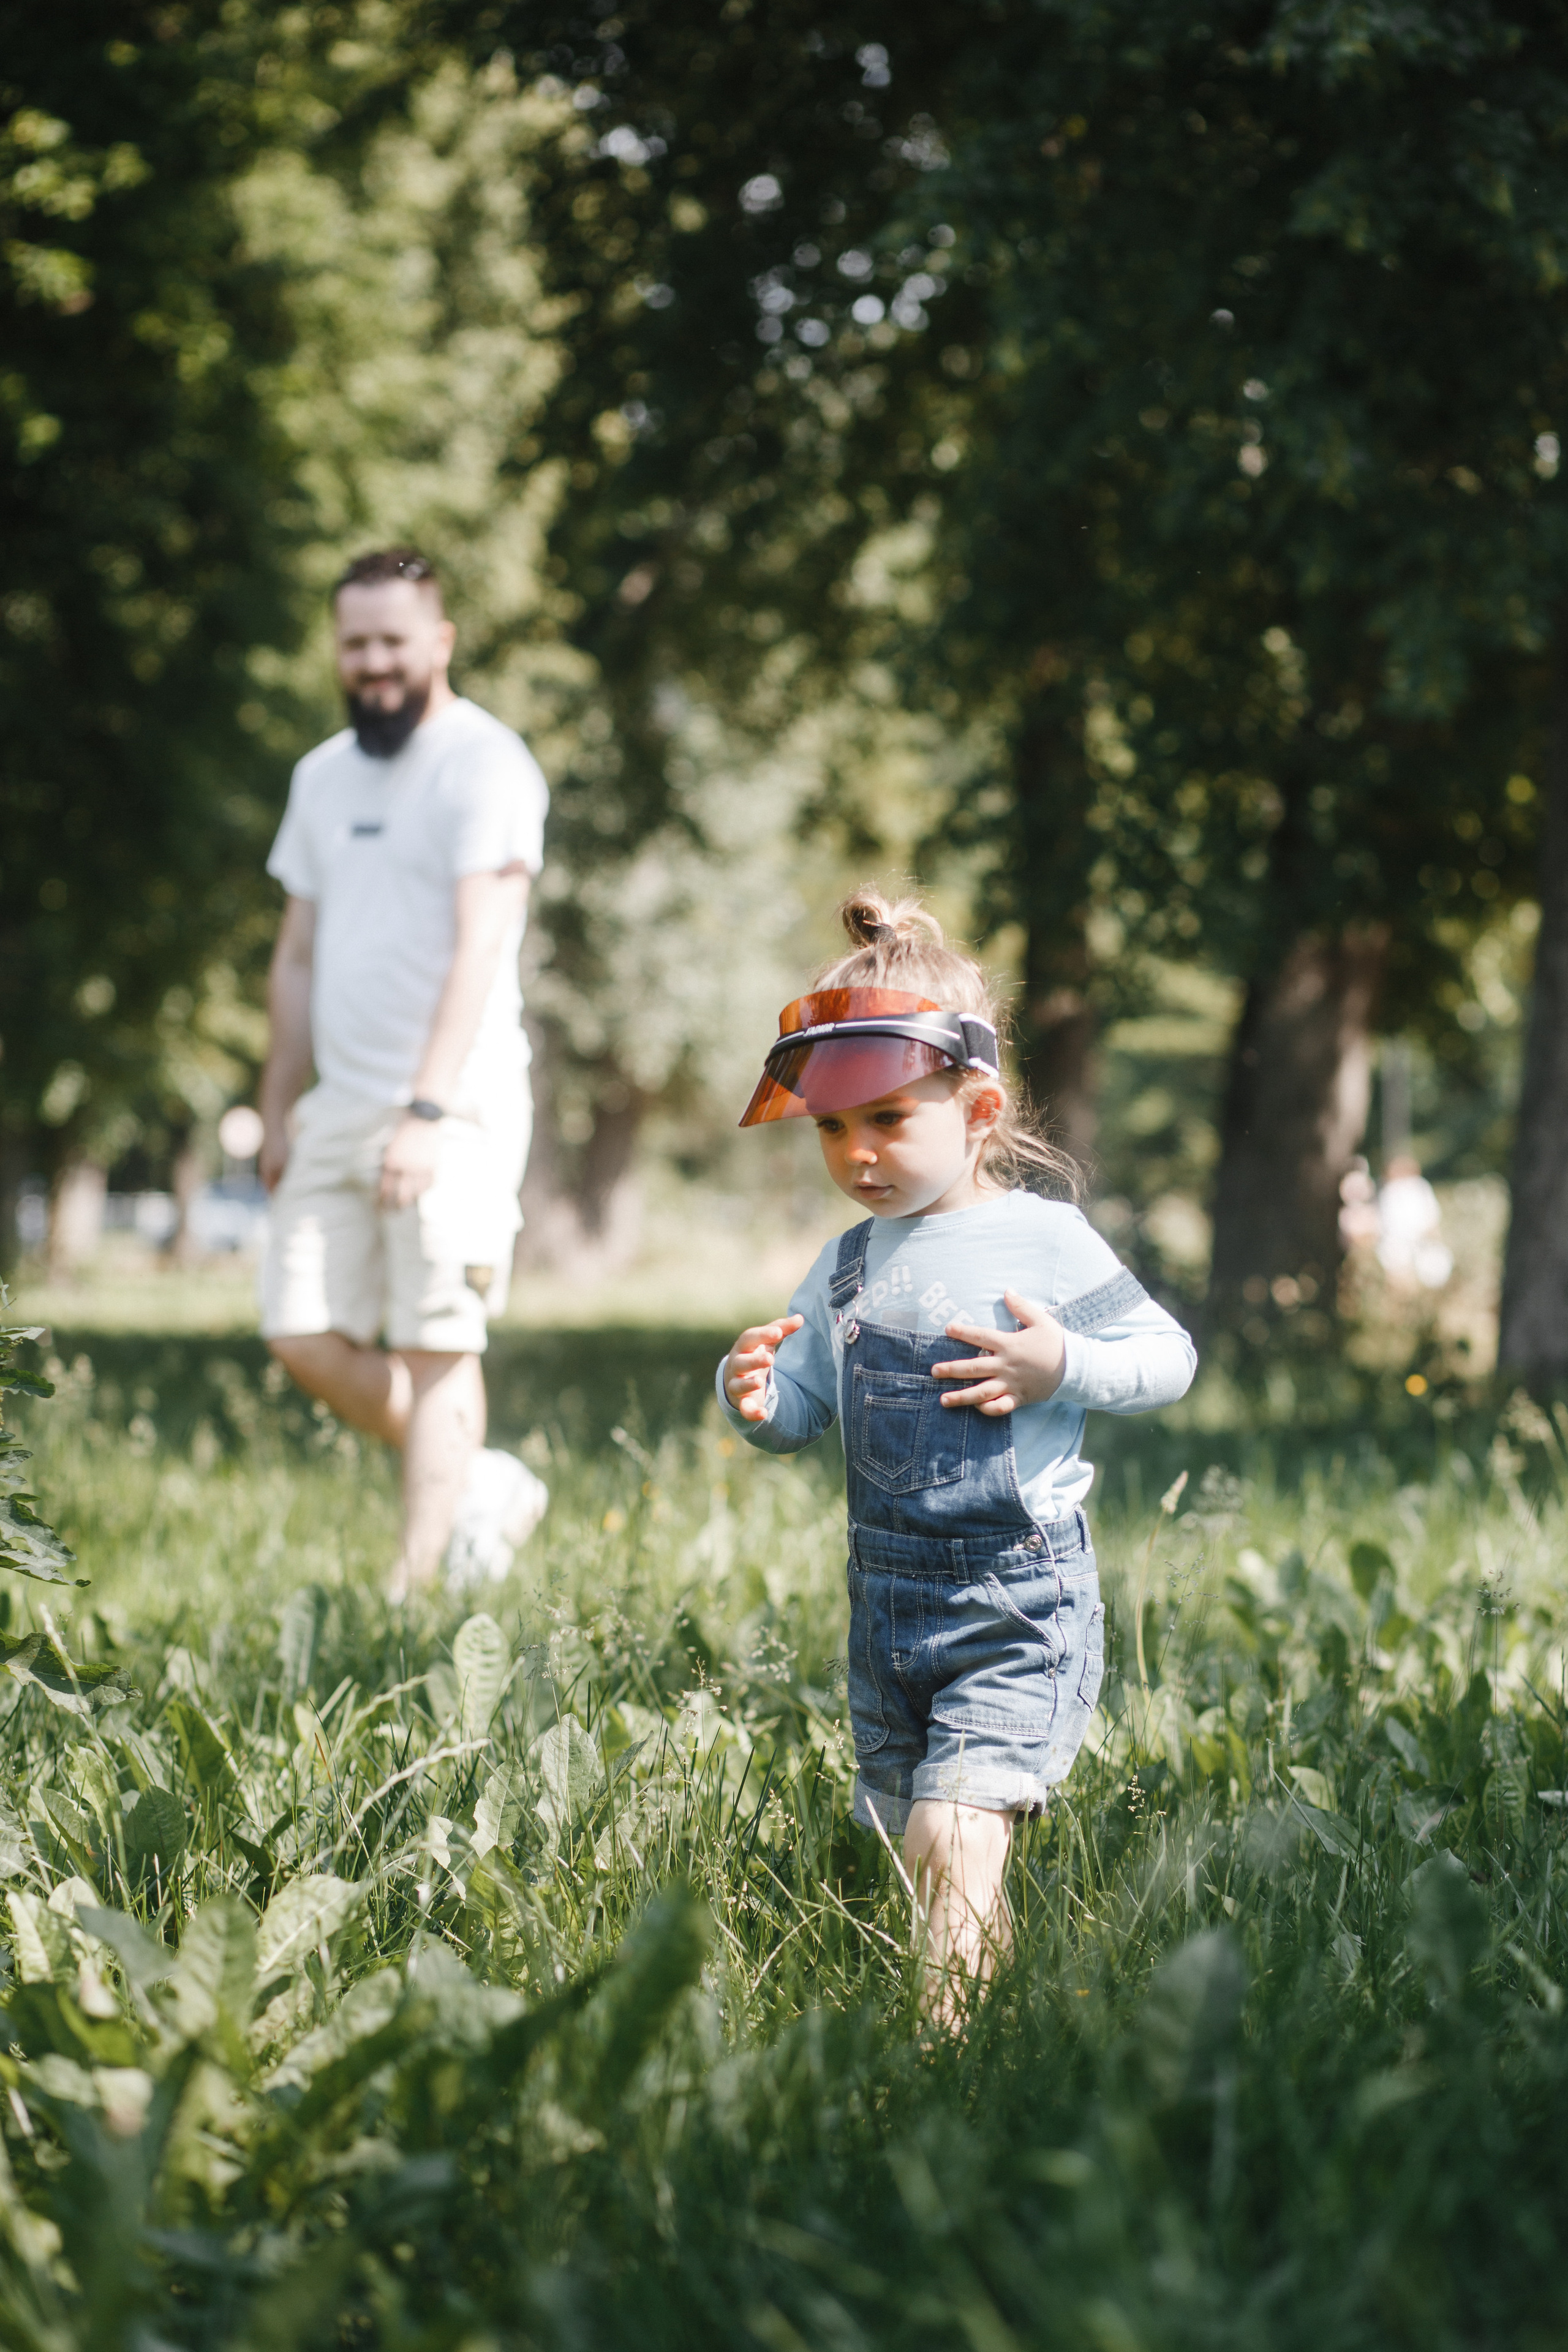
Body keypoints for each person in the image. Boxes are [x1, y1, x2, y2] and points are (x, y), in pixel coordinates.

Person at [719, 892, 1196, 2019]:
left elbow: (1168, 1359)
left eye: (887, 1119)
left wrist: (1062, 1363)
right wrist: (758, 1398)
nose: (857, 1154)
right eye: (832, 1128)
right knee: (915, 1838)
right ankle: (972, 2010)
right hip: (888, 1606)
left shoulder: (1043, 1238)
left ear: (978, 1109)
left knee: (955, 1826)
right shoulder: (847, 1262)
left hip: (1015, 1595)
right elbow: (804, 1412)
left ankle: (947, 2049)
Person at [257, 548, 550, 1600]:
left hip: (455, 1105)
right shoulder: (321, 776)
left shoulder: (487, 765)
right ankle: (481, 1479)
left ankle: (414, 1591)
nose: (373, 662)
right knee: (298, 1329)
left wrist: (426, 1109)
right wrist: (277, 1102)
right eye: (355, 643)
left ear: (440, 641)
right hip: (338, 1103)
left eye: (393, 640)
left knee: (437, 1340)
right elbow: (298, 954)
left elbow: (480, 945)